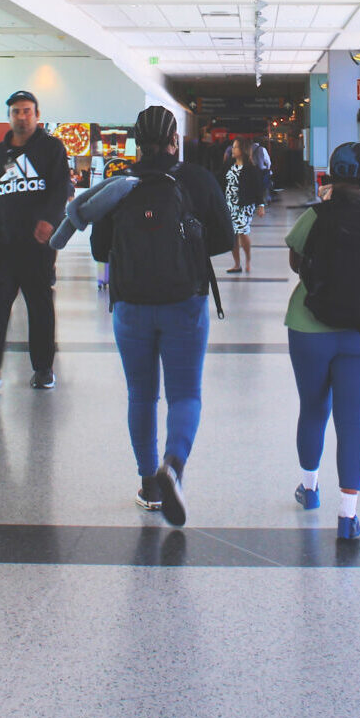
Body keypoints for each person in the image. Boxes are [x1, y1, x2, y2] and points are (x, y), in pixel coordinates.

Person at [91, 106, 234, 526]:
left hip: (131, 306)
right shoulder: (196, 180)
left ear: (137, 143)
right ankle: (173, 465)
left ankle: (149, 485)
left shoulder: (118, 183)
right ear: (176, 141)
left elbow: (101, 251)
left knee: (142, 395)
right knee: (185, 394)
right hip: (184, 303)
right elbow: (224, 238)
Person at [284, 143, 360, 542]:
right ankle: (348, 516)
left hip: (309, 327)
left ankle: (309, 491)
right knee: (352, 420)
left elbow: (295, 261)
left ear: (330, 176)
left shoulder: (315, 215)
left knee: (313, 409)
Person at [0, 91, 70, 392]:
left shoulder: (52, 148)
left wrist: (49, 221)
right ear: (9, 116)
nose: (21, 116)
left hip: (36, 247)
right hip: (2, 245)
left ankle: (43, 369)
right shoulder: (0, 153)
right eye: (15, 111)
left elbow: (60, 189)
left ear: (37, 115)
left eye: (26, 111)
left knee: (39, 307)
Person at [224, 139, 265, 275]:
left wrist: (261, 205)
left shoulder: (251, 169)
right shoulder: (228, 165)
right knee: (232, 235)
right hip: (230, 204)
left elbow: (258, 188)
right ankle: (237, 264)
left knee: (242, 231)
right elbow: (221, 182)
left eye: (235, 147)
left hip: (245, 205)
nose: (232, 150)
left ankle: (247, 259)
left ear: (242, 150)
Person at [251, 138, 274, 216]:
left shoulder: (248, 149)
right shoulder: (262, 149)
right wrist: (268, 168)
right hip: (262, 171)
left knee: (254, 187)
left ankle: (254, 202)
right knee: (264, 186)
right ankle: (265, 200)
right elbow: (268, 161)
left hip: (252, 171)